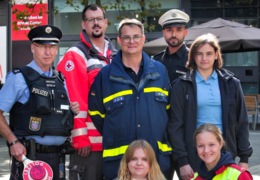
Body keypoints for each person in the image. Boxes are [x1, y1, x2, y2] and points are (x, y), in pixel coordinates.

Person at [88, 18, 172, 180]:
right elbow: (96, 114)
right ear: (119, 40)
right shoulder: (105, 75)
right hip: (119, 164)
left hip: (156, 161)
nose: (131, 41)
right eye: (126, 37)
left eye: (136, 37)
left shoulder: (160, 71)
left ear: (143, 39)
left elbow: (168, 111)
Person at [168, 33, 253, 180]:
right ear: (193, 56)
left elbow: (242, 122)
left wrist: (244, 158)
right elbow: (175, 126)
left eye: (208, 53)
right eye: (199, 54)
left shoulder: (232, 83)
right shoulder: (181, 85)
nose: (204, 58)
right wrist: (182, 161)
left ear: (216, 55)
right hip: (193, 156)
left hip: (225, 153)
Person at [0, 25, 80, 180]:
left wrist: (69, 110)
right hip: (30, 158)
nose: (47, 52)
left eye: (52, 47)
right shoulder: (18, 77)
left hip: (59, 158)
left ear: (57, 50)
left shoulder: (60, 80)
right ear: (32, 48)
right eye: (42, 46)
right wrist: (13, 142)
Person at [57, 4, 117, 180]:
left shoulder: (116, 55)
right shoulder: (75, 54)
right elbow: (74, 99)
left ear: (106, 23)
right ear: (84, 24)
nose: (95, 23)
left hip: (114, 141)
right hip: (89, 145)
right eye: (91, 20)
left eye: (99, 19)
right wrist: (80, 137)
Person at [153, 9, 190, 84]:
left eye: (179, 30)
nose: (173, 34)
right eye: (169, 30)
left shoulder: (193, 58)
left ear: (185, 33)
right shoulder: (156, 60)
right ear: (163, 33)